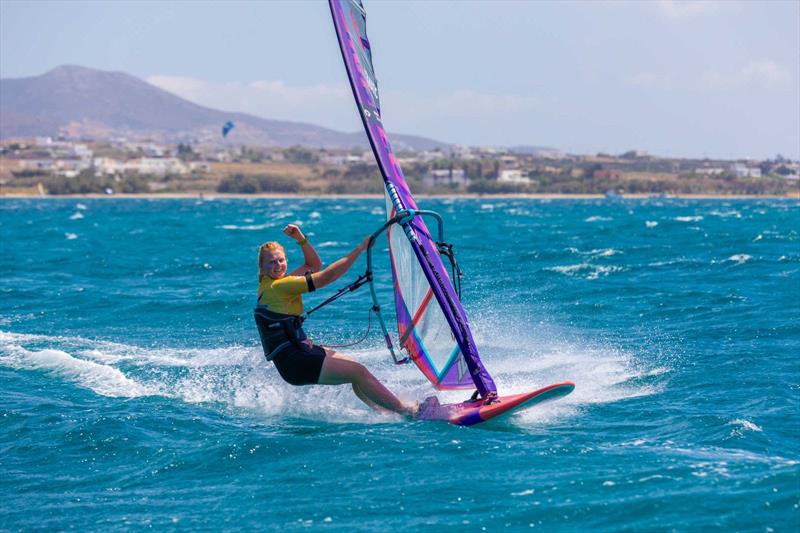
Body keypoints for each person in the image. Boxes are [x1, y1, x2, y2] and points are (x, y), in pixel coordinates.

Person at [254, 224, 418, 416]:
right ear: (262, 268)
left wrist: (301, 239)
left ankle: (386, 412)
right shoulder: (279, 287)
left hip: (295, 355)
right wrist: (360, 249)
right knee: (358, 372)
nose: (278, 265)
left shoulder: (273, 284)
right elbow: (326, 276)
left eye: (281, 260)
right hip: (296, 362)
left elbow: (313, 266)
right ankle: (406, 412)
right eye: (272, 262)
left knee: (357, 373)